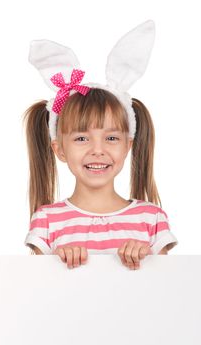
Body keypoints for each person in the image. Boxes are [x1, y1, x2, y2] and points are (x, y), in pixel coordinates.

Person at [23, 20, 178, 270]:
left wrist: (147, 258)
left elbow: (169, 290)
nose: (98, 149)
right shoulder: (47, 222)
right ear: (59, 149)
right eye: (81, 138)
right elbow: (38, 291)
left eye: (112, 138)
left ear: (128, 145)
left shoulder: (151, 220)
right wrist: (56, 263)